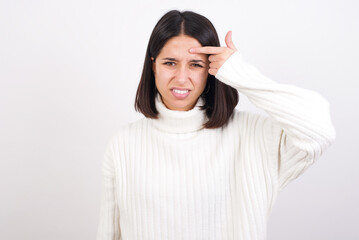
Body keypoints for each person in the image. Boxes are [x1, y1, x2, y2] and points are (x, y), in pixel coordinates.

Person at [96, 9, 336, 240]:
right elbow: (109, 234)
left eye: (195, 65)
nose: (181, 77)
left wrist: (239, 73)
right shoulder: (123, 144)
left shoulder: (252, 137)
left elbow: (319, 127)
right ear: (153, 65)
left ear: (211, 70)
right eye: (170, 62)